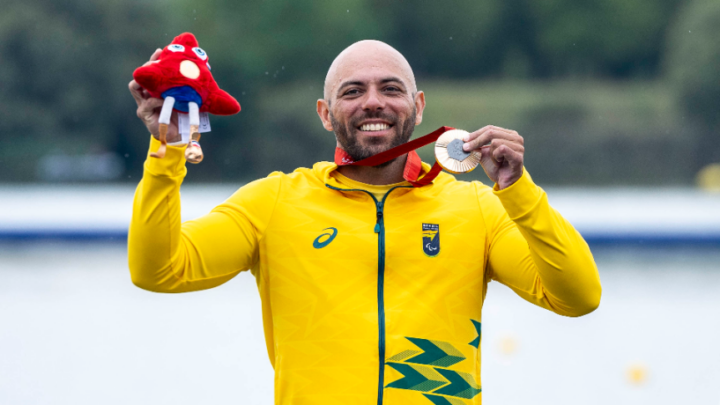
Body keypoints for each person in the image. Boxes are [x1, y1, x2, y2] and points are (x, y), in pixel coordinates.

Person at [128, 40, 601, 405]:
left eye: (390, 89)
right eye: (352, 92)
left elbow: (579, 297)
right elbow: (159, 270)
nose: (372, 103)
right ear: (325, 113)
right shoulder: (273, 203)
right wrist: (166, 153)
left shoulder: (476, 208)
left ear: (418, 106)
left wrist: (517, 190)